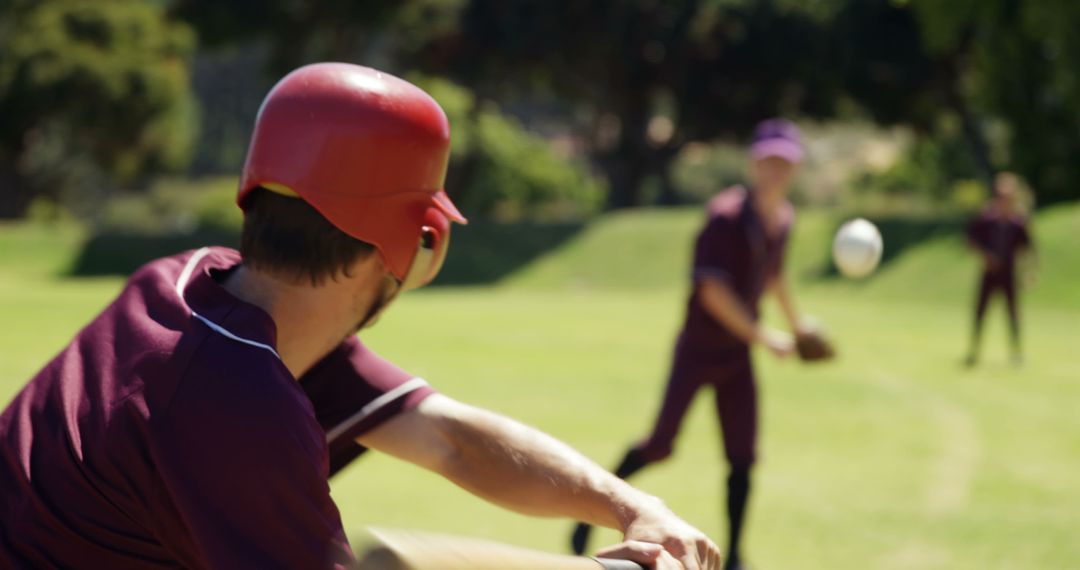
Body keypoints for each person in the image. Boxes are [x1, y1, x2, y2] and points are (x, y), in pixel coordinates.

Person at [0, 63, 721, 569]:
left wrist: (632, 507)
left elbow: (451, 442)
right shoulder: (239, 399)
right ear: (415, 244)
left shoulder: (197, 290)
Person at [570, 119, 815, 570]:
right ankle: (588, 513)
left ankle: (737, 556)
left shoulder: (782, 220)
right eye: (769, 161)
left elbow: (774, 275)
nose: (776, 170)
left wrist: (799, 329)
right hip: (700, 350)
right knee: (661, 444)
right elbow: (712, 292)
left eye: (785, 162)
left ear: (794, 169)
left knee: (742, 455)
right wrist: (766, 337)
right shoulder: (724, 217)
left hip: (736, 356)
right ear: (754, 163)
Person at [964, 172, 1035, 367]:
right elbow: (971, 240)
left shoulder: (1018, 222)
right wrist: (986, 257)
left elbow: (1026, 248)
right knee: (980, 312)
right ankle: (974, 351)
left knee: (1012, 313)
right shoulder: (986, 220)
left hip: (1009, 273)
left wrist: (1027, 272)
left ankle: (1016, 353)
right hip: (989, 273)